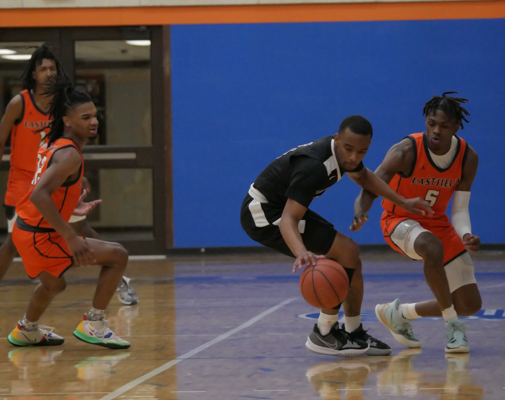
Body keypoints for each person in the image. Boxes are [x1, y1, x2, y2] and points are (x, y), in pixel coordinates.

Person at [240, 115, 432, 357]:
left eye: (361, 151)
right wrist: (302, 252)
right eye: (349, 149)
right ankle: (324, 332)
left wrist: (402, 200)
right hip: (262, 213)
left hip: (278, 208)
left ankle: (354, 332)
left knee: (352, 257)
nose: (354, 157)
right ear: (337, 139)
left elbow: (365, 177)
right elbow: (288, 219)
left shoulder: (343, 156)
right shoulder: (315, 167)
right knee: (346, 252)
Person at [0, 45, 138, 305]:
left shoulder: (65, 105)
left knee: (81, 228)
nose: (49, 73)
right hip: (24, 183)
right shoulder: (20, 103)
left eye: (53, 68)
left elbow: (64, 150)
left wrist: (76, 178)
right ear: (34, 74)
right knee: (11, 244)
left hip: (56, 181)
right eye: (43, 69)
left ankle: (119, 279)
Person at [352, 92, 481, 353]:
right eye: (431, 123)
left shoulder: (468, 158)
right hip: (397, 220)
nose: (436, 131)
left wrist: (466, 234)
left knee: (470, 303)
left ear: (456, 127)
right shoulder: (406, 150)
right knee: (431, 247)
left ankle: (398, 314)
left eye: (444, 126)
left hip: (437, 223)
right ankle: (453, 326)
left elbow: (459, 210)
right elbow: (371, 184)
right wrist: (360, 210)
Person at [7, 76, 130, 349]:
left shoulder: (55, 144)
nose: (93, 121)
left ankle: (26, 329)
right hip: (40, 236)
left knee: (54, 285)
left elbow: (47, 189)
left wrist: (72, 205)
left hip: (26, 230)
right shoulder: (70, 154)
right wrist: (71, 238)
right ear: (67, 120)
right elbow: (40, 194)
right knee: (118, 255)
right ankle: (94, 323)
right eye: (85, 117)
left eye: (94, 115)